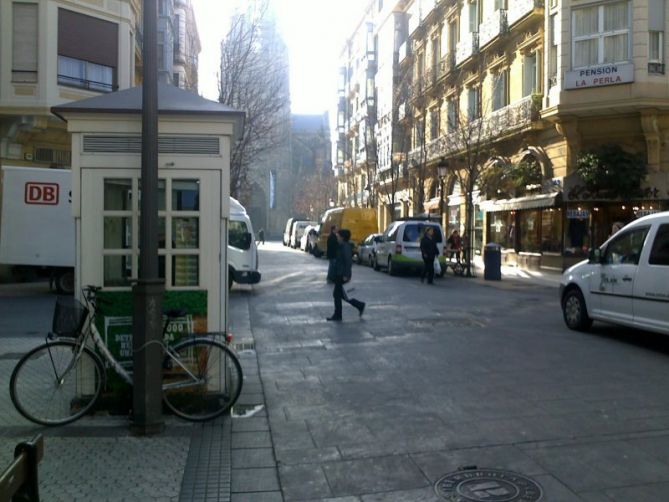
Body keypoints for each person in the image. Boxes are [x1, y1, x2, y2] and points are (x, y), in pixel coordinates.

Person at [327, 229, 365, 321]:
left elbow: (348, 262)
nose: (337, 237)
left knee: (337, 294)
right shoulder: (342, 246)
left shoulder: (345, 247)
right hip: (339, 273)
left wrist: (346, 275)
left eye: (338, 236)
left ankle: (338, 314)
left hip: (342, 274)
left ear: (342, 237)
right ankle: (359, 305)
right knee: (340, 295)